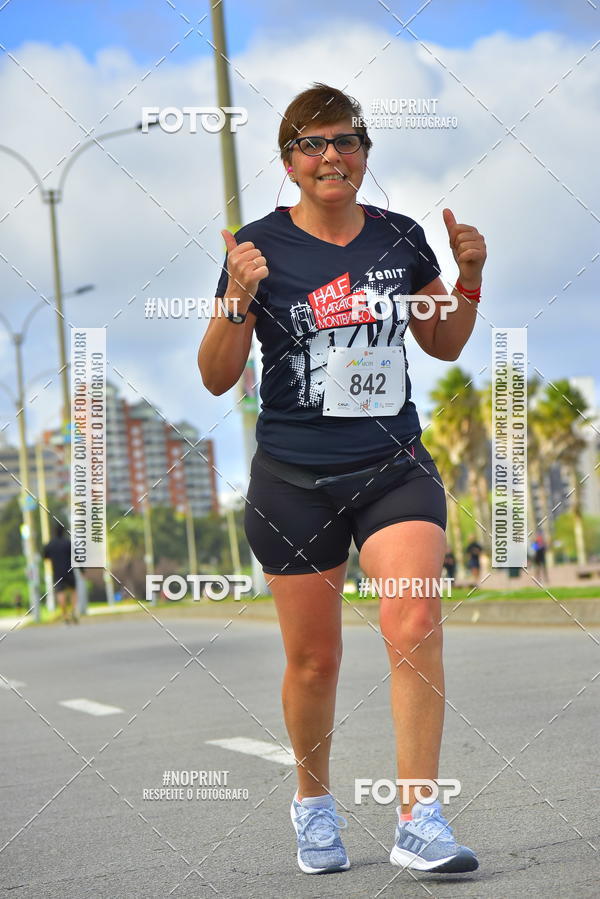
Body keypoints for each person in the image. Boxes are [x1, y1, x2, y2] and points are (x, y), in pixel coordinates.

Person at [198, 83, 486, 877]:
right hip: (294, 479)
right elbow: (216, 377)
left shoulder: (400, 237)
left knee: (415, 615)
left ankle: (420, 817)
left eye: (346, 141)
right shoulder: (255, 247)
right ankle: (313, 804)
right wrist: (237, 298)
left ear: (364, 155)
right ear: (289, 161)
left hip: (393, 466)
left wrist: (466, 280)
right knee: (314, 661)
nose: (332, 156)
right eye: (313, 143)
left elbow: (445, 345)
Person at [43, 523, 78, 624]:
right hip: (69, 571)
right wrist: (81, 569)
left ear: (54, 532)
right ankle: (73, 611)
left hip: (57, 572)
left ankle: (65, 614)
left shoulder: (50, 545)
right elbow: (76, 556)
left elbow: (45, 557)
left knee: (60, 592)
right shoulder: (68, 543)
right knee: (73, 591)